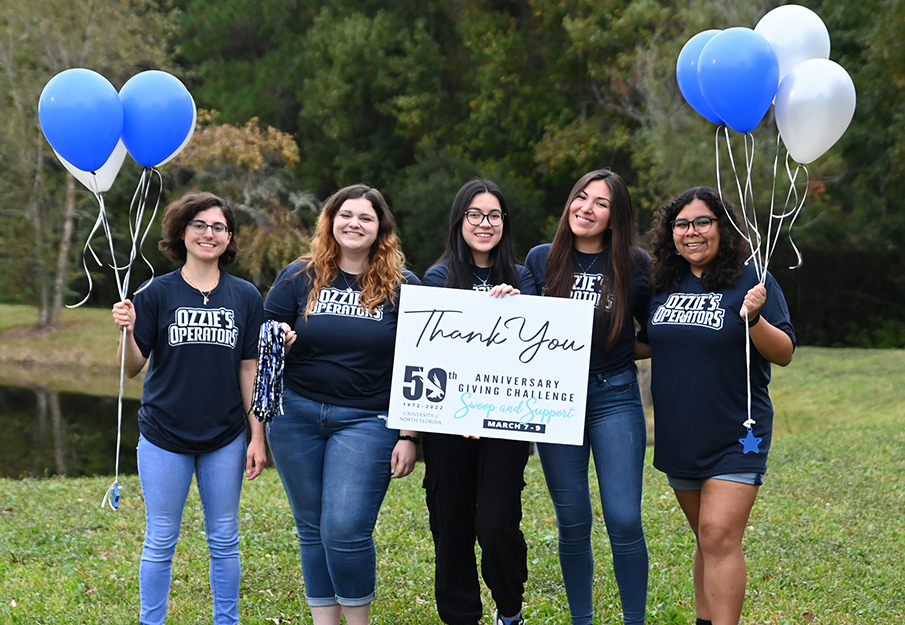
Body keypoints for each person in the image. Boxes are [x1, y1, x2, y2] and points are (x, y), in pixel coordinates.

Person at [263, 184, 420, 625]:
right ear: (330, 221)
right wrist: (283, 347)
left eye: (366, 217)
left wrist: (410, 434)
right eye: (346, 214)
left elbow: (421, 361)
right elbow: (264, 347)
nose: (354, 223)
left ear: (380, 229)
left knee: (346, 528)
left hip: (368, 420)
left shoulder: (405, 287)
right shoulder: (298, 276)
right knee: (312, 529)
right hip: (295, 415)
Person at [637, 186, 795, 625]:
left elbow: (783, 352)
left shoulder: (752, 278)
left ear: (721, 228)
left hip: (736, 432)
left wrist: (754, 318)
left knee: (718, 534)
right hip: (680, 433)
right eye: (682, 224)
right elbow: (645, 344)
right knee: (707, 540)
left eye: (702, 222)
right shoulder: (662, 283)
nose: (691, 232)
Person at [111, 191, 266, 625]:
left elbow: (248, 370)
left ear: (229, 238)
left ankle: (226, 621)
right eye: (199, 225)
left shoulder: (245, 296)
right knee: (160, 538)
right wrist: (126, 331)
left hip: (225, 436)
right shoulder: (154, 292)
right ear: (182, 231)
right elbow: (130, 369)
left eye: (219, 227)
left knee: (224, 539)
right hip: (164, 435)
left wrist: (257, 434)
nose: (209, 234)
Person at [523, 169, 650, 625]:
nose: (587, 208)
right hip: (555, 402)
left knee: (623, 519)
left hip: (614, 396)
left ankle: (633, 619)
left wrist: (614, 347)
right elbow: (516, 331)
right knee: (573, 522)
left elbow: (656, 332)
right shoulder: (541, 260)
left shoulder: (637, 265)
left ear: (616, 217)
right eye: (581, 197)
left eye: (601, 203)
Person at [421, 179, 536, 625]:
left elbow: (535, 353)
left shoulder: (524, 277)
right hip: (450, 425)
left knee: (495, 523)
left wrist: (520, 305)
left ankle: (510, 610)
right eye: (475, 215)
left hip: (506, 424)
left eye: (493, 216)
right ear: (460, 221)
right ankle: (460, 616)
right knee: (451, 527)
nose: (484, 224)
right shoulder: (438, 278)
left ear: (504, 223)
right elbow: (434, 353)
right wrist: (457, 411)